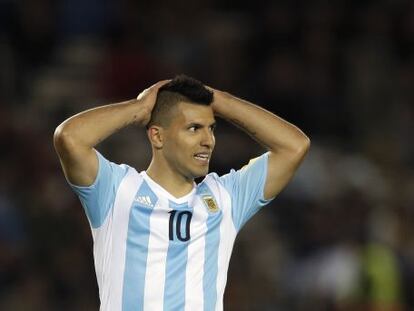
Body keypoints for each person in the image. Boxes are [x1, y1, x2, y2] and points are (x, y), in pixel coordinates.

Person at [53, 74, 310, 311]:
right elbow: (69, 138)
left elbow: (295, 146)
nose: (208, 140)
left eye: (212, 128)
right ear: (157, 137)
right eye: (194, 128)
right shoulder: (117, 190)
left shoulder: (225, 198)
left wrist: (219, 100)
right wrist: (139, 108)